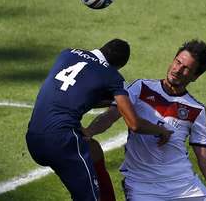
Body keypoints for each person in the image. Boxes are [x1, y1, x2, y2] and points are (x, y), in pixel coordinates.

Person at [85, 39, 206, 201]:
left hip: (185, 186)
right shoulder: (141, 88)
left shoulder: (196, 109)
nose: (177, 70)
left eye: (186, 68)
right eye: (177, 62)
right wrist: (89, 131)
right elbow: (110, 115)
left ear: (195, 76)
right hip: (142, 187)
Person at [25, 38, 173, 201]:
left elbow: (75, 90)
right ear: (118, 67)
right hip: (62, 141)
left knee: (92, 149)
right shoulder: (112, 77)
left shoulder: (67, 53)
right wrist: (161, 130)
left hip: (33, 137)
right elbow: (134, 124)